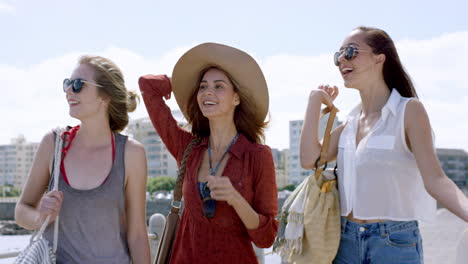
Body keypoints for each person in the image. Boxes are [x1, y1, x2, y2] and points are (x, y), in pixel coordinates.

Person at [300, 26, 468, 263]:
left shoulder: (408, 111)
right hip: (344, 242)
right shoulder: (350, 121)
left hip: (393, 244)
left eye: (350, 51)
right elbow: (310, 159)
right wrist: (313, 100)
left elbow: (436, 179)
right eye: (337, 56)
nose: (341, 61)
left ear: (379, 58)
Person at [138, 42, 278, 263]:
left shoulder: (258, 155)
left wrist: (235, 199)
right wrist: (178, 82)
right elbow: (147, 86)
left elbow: (266, 238)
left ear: (236, 98)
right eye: (202, 87)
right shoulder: (188, 147)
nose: (208, 92)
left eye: (219, 86)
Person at [15, 55, 151, 264]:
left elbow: (138, 235)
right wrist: (39, 218)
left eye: (78, 85)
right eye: (67, 84)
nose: (69, 91)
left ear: (104, 97)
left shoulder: (132, 154)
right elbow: (22, 209)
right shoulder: (53, 144)